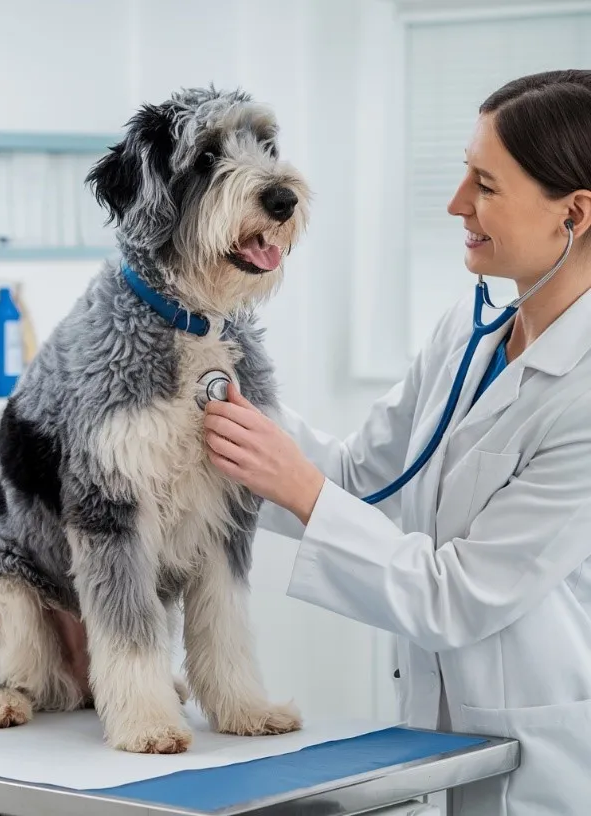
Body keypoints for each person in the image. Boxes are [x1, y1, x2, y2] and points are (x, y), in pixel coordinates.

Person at [203, 69, 591, 816]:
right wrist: (223, 408)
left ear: (574, 212)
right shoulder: (468, 331)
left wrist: (300, 489)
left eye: (485, 184)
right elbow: (360, 475)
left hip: (547, 772)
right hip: (435, 745)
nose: (455, 205)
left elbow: (456, 597)